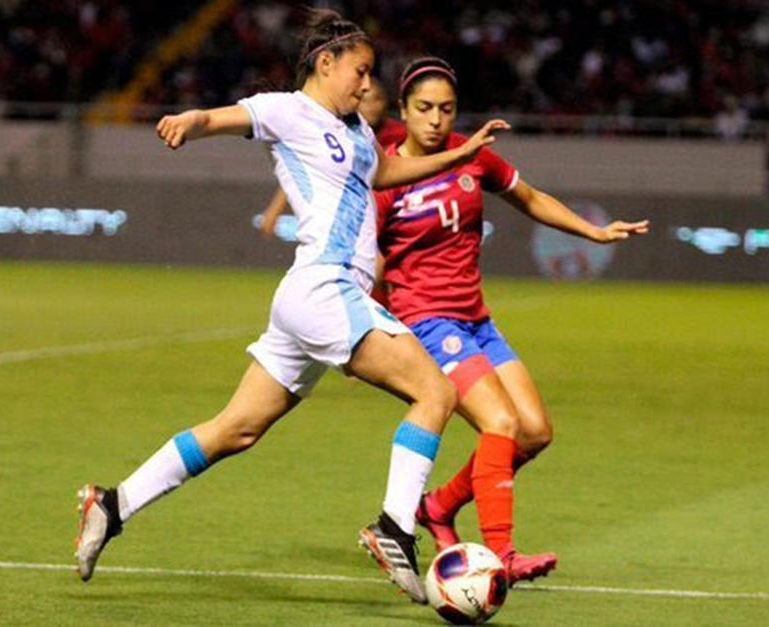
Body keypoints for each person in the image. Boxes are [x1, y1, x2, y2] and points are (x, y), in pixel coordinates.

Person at [74, 12, 510, 605]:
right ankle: (394, 528)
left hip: (313, 298)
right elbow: (222, 117)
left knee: (237, 429)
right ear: (325, 63)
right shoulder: (287, 110)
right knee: (436, 394)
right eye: (359, 71)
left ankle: (112, 505)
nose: (366, 85)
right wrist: (187, 121)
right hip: (326, 289)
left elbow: (386, 172)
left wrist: (464, 156)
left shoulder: (356, 128)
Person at [375, 57, 650, 584]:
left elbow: (527, 197)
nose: (436, 120)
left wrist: (591, 232)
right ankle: (501, 553)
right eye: (425, 109)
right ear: (403, 113)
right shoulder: (387, 178)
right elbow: (372, 262)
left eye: (446, 109)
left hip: (476, 320)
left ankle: (436, 508)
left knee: (535, 432)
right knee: (500, 423)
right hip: (429, 323)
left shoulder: (472, 156)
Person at [258, 77, 406, 238]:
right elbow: (305, 169)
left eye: (377, 99)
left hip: (398, 209)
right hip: (349, 212)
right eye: (365, 101)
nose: (371, 107)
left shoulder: (400, 133)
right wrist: (275, 210)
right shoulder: (337, 132)